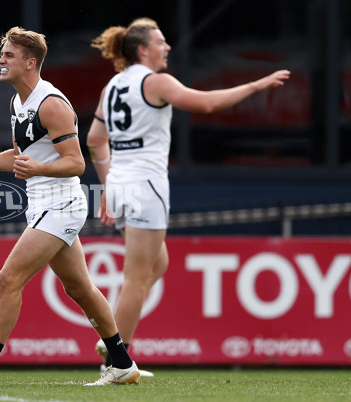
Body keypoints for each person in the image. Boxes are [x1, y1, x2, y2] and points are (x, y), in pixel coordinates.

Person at [86, 18, 290, 373]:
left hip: (120, 184)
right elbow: (206, 103)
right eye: (161, 42)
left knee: (157, 264)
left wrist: (107, 186)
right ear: (142, 50)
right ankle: (116, 360)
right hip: (146, 185)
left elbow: (94, 140)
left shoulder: (113, 85)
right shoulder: (157, 81)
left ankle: (114, 339)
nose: (167, 48)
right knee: (136, 278)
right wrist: (256, 85)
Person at [0, 26, 140, 386]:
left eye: (8, 55)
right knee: (79, 289)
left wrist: (39, 168)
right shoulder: (18, 102)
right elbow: (21, 158)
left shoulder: (51, 104)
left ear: (30, 62)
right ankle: (123, 364)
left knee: (8, 277)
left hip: (61, 204)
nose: (0, 60)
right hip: (42, 205)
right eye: (2, 53)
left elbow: (77, 163)